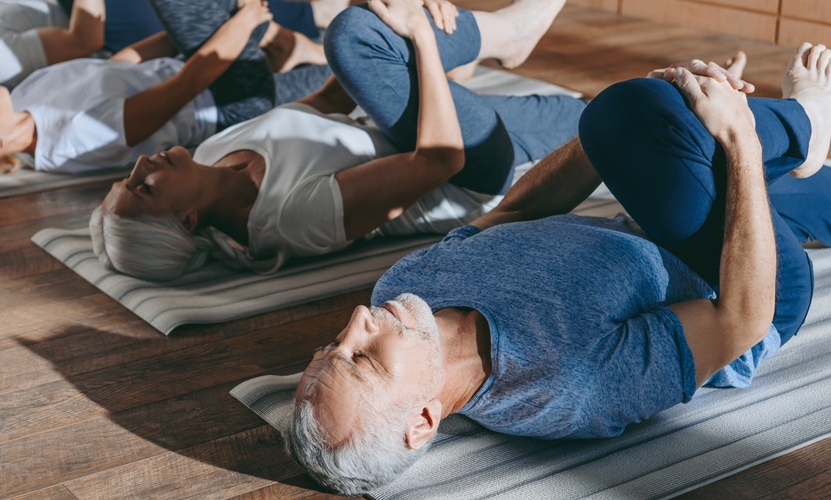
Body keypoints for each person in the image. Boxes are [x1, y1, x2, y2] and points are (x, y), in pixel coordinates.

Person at [283, 40, 831, 495]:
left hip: (659, 216)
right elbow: (741, 320)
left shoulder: (405, 288)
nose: (358, 318)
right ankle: (804, 124)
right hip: (750, 284)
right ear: (423, 420)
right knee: (638, 114)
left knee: (631, 121)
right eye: (364, 360)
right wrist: (740, 139)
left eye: (334, 343)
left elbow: (517, 210)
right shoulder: (567, 387)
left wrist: (602, 144)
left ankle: (793, 153)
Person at [90, 0, 584, 280]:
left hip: (409, 125)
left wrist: (374, 22)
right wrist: (420, 38)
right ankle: (507, 37)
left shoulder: (210, 154)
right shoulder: (290, 219)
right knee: (352, 37)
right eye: (144, 188)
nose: (140, 167)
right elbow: (440, 161)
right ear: (188, 220)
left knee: (595, 119)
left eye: (128, 178)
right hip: (469, 169)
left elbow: (328, 101)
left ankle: (502, 39)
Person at [0, 0, 333, 187]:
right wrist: (240, 26)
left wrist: (191, 31)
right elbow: (186, 88)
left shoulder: (25, 97)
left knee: (330, 67)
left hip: (200, 65)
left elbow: (118, 65)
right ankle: (290, 44)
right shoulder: (75, 138)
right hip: (228, 98)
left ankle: (295, 47)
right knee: (338, 77)